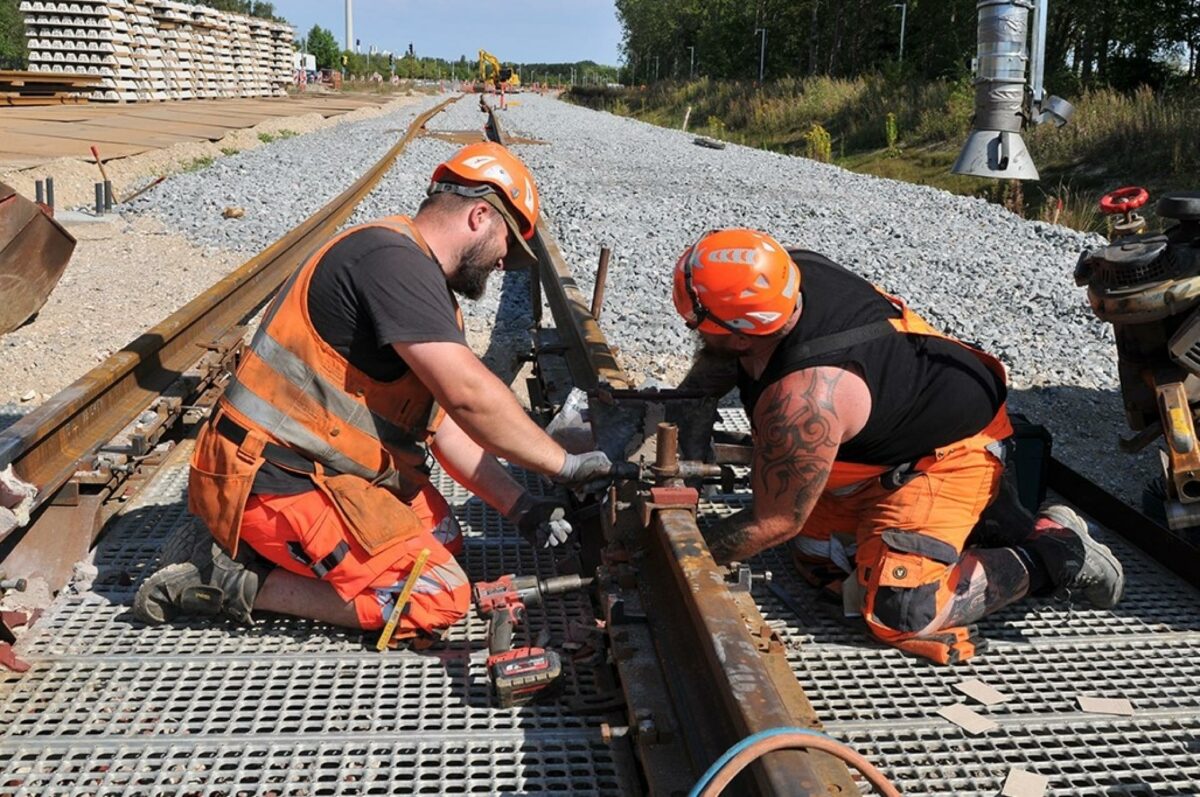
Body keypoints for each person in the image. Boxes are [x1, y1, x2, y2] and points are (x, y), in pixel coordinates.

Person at [133, 142, 613, 644]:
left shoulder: (418, 282)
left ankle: (253, 550)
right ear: (479, 217)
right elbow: (470, 396)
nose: (500, 266)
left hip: (324, 470)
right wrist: (564, 465)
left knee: (444, 539)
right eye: (505, 248)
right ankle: (226, 579)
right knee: (435, 595)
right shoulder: (390, 261)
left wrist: (521, 507)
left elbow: (445, 426)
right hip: (270, 477)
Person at [669, 228, 1124, 664]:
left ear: (744, 333)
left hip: (947, 458)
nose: (692, 330)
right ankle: (978, 529)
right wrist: (682, 418)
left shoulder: (807, 399)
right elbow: (719, 358)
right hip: (878, 449)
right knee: (820, 565)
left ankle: (1059, 550)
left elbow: (776, 519)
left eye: (698, 322)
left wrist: (678, 555)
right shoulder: (784, 276)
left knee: (899, 611)